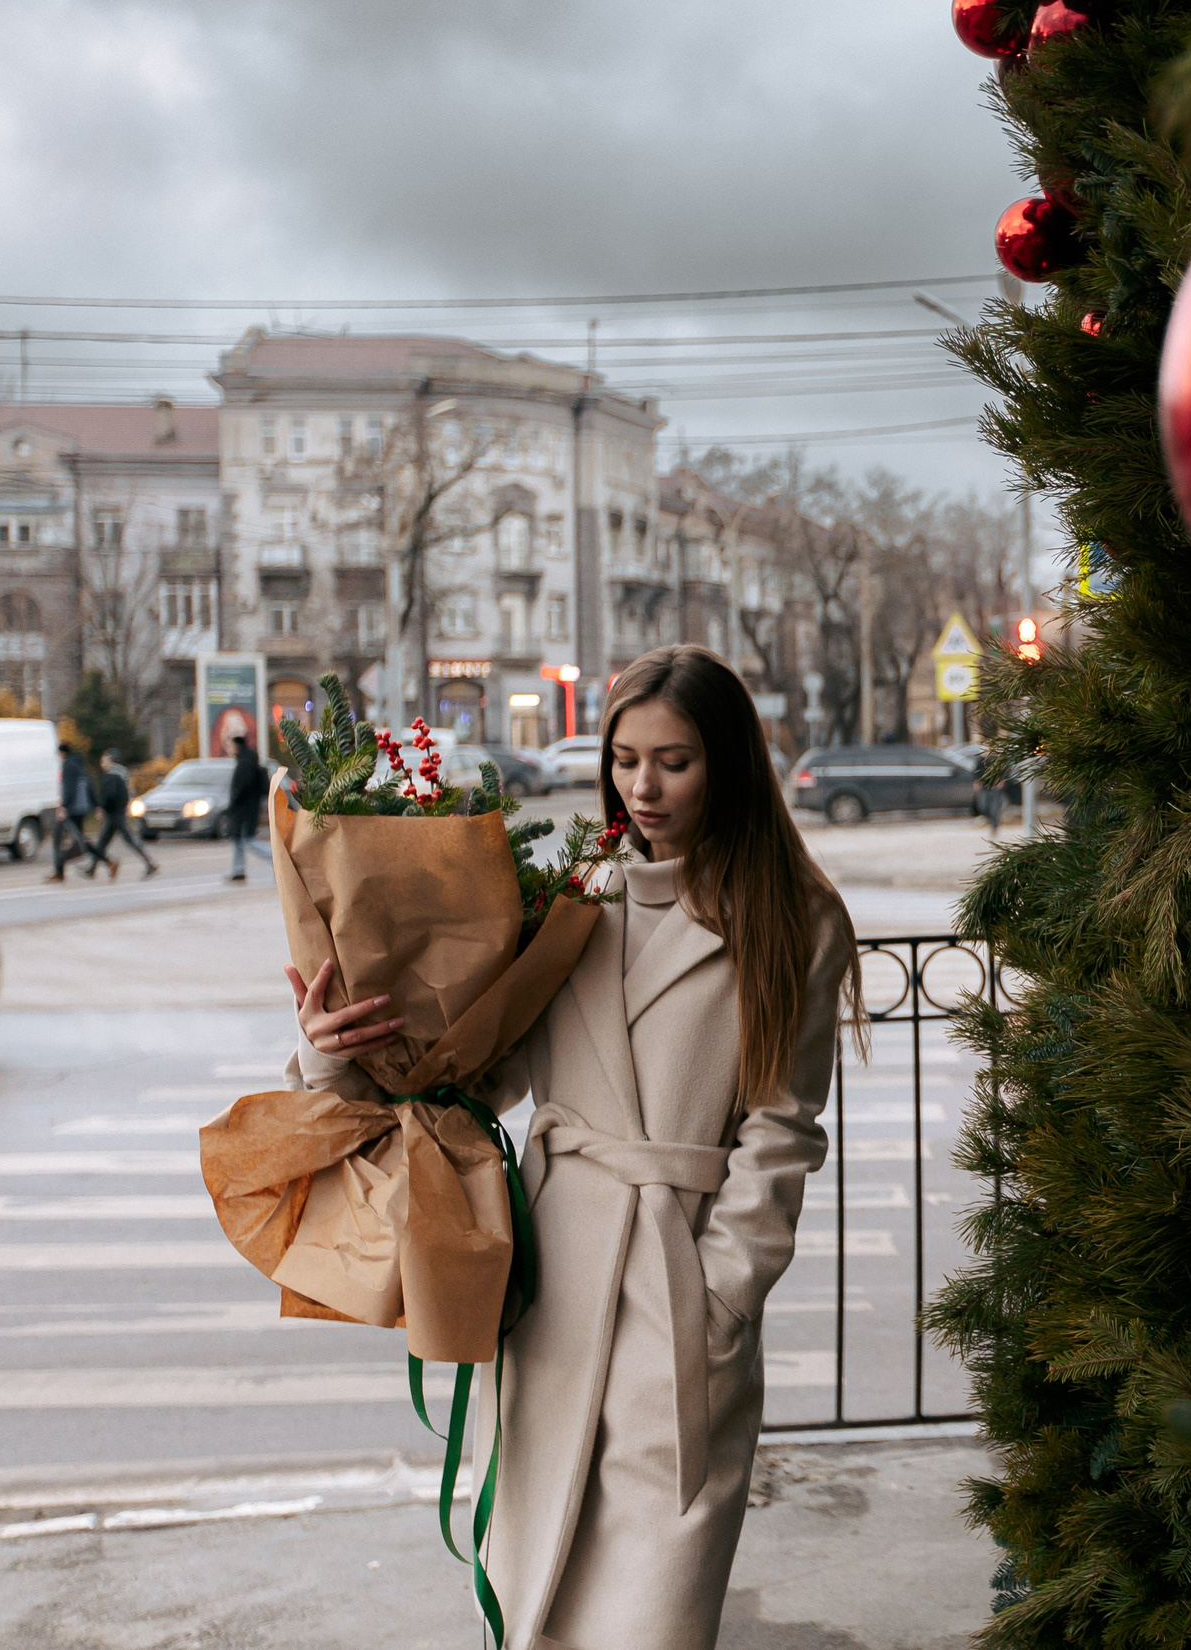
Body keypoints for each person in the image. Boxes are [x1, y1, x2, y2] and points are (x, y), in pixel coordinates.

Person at [285, 645, 861, 1650]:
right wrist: (336, 1049)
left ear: (728, 763)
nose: (644, 787)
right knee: (535, 1600)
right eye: (625, 759)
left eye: (674, 761)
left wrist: (722, 1296)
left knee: (651, 1616)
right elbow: (471, 1078)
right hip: (550, 1285)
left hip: (679, 1294)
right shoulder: (567, 892)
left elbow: (782, 1129)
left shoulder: (794, 917)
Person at [48, 739, 112, 882]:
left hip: (72, 809)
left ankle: (59, 872)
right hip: (81, 808)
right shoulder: (80, 765)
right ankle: (59, 872)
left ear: (62, 753)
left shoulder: (68, 765)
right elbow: (89, 785)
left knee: (64, 838)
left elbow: (69, 787)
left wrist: (63, 806)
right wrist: (96, 805)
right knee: (74, 839)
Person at [91, 750, 158, 877]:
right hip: (118, 812)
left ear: (110, 761)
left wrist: (102, 807)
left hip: (115, 814)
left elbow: (110, 795)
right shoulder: (122, 772)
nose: (102, 764)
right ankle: (92, 867)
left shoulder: (112, 775)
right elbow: (128, 791)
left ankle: (150, 863)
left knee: (128, 839)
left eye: (103, 761)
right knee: (103, 841)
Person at [224, 734, 270, 882]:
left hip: (244, 810)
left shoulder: (244, 763)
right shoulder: (248, 760)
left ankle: (276, 859)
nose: (230, 749)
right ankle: (238, 871)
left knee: (247, 839)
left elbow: (242, 787)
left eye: (232, 745)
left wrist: (234, 801)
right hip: (247, 808)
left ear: (237, 745)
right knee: (238, 840)